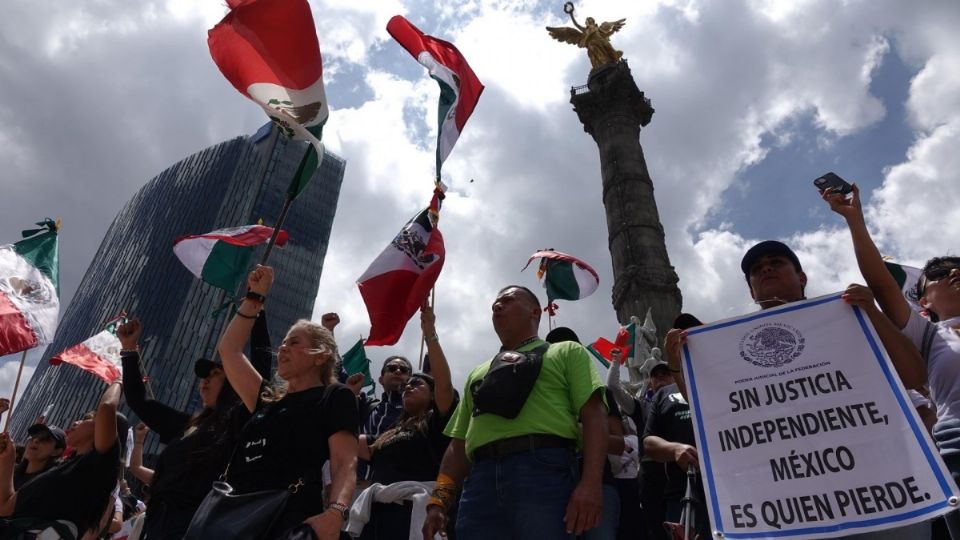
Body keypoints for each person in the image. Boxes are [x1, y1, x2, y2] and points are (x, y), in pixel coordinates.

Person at [665, 240, 930, 540]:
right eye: (756, 269)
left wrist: (872, 311)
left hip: (881, 495)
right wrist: (676, 368)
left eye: (776, 262)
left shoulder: (849, 317)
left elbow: (914, 374)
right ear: (752, 291)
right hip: (794, 508)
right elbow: (720, 417)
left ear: (801, 278)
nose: (765, 268)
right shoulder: (732, 350)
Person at [822, 184, 960, 536]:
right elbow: (882, 285)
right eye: (941, 274)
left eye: (958, 268)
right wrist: (855, 220)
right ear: (923, 302)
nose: (954, 273)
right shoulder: (930, 336)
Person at [423, 285, 608, 540]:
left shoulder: (566, 351)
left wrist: (591, 484)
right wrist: (439, 500)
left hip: (543, 471)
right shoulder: (478, 372)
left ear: (535, 311)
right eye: (494, 305)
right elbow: (458, 445)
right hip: (479, 482)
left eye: (508, 300)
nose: (497, 306)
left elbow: (594, 415)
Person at [217, 265, 358, 539]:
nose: (282, 347)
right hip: (232, 518)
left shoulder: (334, 396)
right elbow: (229, 350)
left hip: (289, 520)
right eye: (282, 342)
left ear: (320, 356)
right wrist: (255, 297)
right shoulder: (266, 399)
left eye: (294, 342)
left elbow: (344, 462)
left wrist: (335, 513)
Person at [117, 311, 272, 540]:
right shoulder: (187, 424)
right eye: (203, 377)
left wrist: (256, 312)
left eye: (215, 374)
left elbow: (260, 368)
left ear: (233, 380)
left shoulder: (239, 418)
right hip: (157, 524)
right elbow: (139, 402)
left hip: (199, 526)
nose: (204, 381)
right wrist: (129, 351)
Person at [351, 302, 457, 539]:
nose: (408, 385)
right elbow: (347, 441)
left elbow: (444, 383)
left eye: (416, 383)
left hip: (414, 517)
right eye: (407, 385)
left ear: (433, 395)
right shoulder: (391, 432)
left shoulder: (437, 424)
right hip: (377, 518)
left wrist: (430, 333)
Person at [0, 382, 125, 537]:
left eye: (88, 418)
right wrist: (7, 460)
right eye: (34, 437)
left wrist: (118, 379)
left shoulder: (97, 466)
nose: (76, 422)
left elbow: (107, 407)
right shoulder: (58, 471)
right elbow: (4, 506)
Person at [13, 423, 66, 489]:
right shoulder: (10, 473)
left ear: (56, 451)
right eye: (33, 436)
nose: (36, 440)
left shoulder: (50, 485)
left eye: (45, 439)